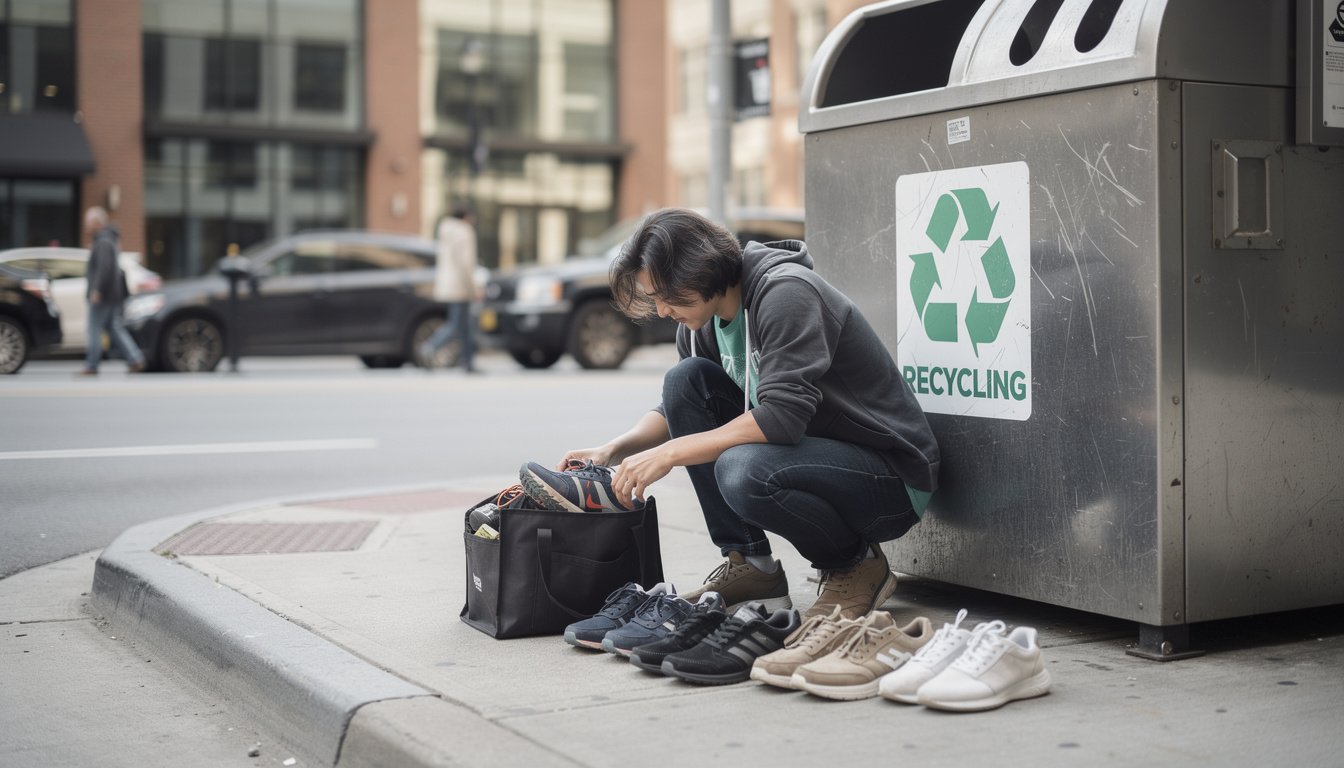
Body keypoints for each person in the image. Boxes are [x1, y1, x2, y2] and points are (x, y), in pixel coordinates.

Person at [542, 208, 940, 619]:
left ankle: (855, 564)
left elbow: (782, 418)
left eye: (664, 295)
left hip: (889, 477)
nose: (661, 311)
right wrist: (614, 449)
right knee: (684, 381)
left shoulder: (786, 293)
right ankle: (752, 567)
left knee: (742, 469)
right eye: (654, 299)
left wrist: (670, 454)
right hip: (819, 456)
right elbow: (677, 409)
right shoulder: (701, 323)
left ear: (697, 269)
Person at [80, 206, 146, 376]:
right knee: (113, 328)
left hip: (103, 295)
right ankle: (135, 359)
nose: (86, 225)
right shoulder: (108, 239)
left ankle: (91, 365)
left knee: (94, 328)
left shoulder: (103, 241)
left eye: (88, 222)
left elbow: (104, 268)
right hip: (111, 294)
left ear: (97, 223)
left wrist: (97, 290)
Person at [419, 203, 479, 372]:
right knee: (457, 325)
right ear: (466, 216)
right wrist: (474, 287)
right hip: (461, 285)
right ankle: (430, 347)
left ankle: (468, 361)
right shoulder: (465, 232)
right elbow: (466, 263)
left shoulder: (445, 231)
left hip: (448, 284)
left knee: (465, 325)